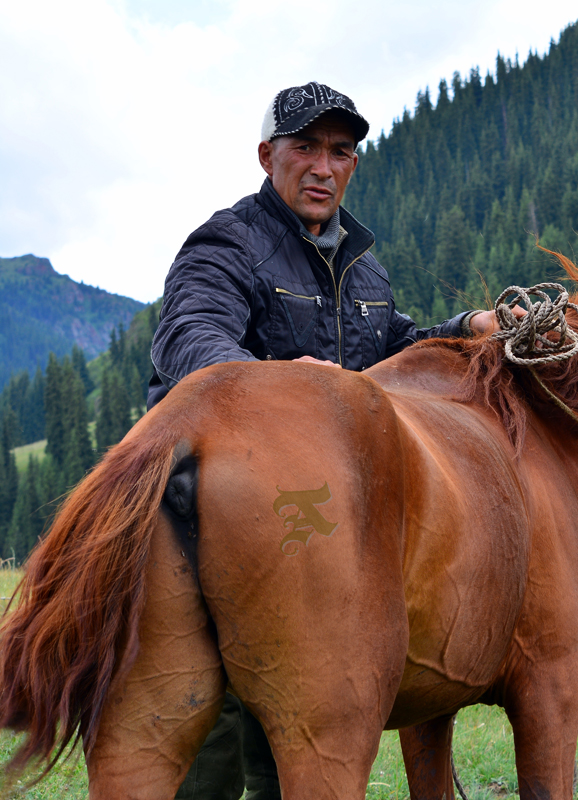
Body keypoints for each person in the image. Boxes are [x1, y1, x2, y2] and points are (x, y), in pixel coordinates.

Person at [150, 81, 510, 799]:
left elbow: (396, 349)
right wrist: (282, 388)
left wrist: (465, 329)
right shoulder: (227, 243)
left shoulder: (363, 266)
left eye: (340, 151)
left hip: (302, 531)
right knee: (206, 748)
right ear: (267, 157)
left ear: (353, 164)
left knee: (289, 740)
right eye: (305, 147)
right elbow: (189, 336)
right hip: (199, 519)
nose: (323, 167)